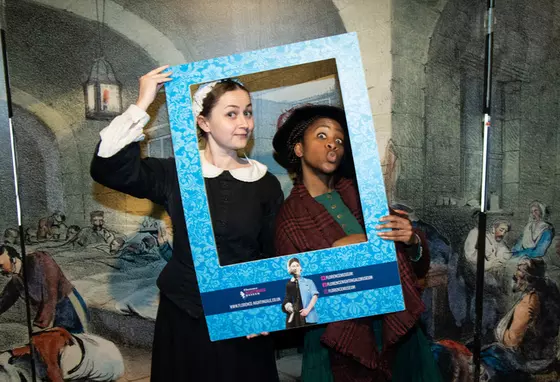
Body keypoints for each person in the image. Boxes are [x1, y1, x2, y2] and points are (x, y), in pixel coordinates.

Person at [90, 65, 283, 382]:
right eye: (232, 114)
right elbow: (107, 168)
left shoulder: (265, 183)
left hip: (241, 318)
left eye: (248, 113)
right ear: (204, 121)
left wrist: (265, 307)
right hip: (185, 318)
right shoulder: (175, 174)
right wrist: (142, 104)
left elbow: (270, 254)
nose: (245, 123)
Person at [273, 104, 441, 382]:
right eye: (322, 136)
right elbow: (293, 305)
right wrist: (334, 258)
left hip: (395, 327)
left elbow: (418, 267)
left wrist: (411, 240)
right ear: (299, 149)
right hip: (337, 343)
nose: (333, 145)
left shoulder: (364, 194)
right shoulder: (288, 218)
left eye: (339, 140)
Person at [0, 245, 89, 333]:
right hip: (48, 313)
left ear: (13, 259)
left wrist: (40, 325)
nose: (0, 270)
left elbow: (50, 293)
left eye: (1, 265)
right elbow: (4, 300)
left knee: (76, 341)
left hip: (68, 305)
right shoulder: (16, 280)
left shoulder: (38, 260)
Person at [282, 257, 319, 328]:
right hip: (294, 317)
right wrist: (288, 306)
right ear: (290, 269)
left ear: (300, 267)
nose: (296, 267)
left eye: (297, 265)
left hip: (308, 315)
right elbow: (287, 298)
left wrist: (307, 310)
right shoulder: (289, 284)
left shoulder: (309, 281)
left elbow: (315, 295)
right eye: (293, 266)